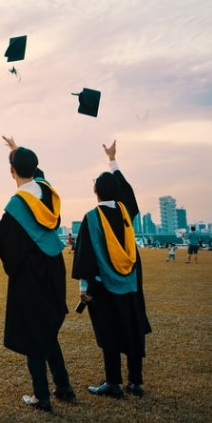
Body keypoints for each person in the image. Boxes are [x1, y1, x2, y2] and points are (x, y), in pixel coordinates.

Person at [0, 136, 73, 412]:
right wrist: (17, 151)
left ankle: (42, 396)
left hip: (30, 275)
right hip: (54, 267)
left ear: (11, 171)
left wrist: (14, 268)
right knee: (48, 330)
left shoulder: (17, 206)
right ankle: (64, 387)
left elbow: (2, 239)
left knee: (32, 333)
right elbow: (37, 174)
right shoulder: (48, 192)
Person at [72, 140, 152, 398]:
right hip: (130, 285)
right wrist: (113, 159)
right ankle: (136, 382)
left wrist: (84, 287)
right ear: (117, 192)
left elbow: (85, 256)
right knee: (133, 329)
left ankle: (113, 383)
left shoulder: (92, 217)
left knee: (109, 332)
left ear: (95, 190)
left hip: (104, 286)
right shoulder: (126, 212)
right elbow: (128, 193)